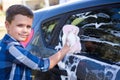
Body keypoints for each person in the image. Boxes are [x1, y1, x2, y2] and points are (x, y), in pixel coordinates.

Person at [0, 4, 70, 80]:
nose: (25, 31)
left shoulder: (4, 43)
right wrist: (66, 48)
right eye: (20, 25)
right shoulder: (11, 48)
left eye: (28, 26)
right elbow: (43, 65)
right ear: (7, 25)